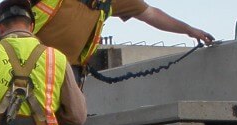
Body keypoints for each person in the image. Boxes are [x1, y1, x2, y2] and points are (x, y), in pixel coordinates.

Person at [31, 0, 215, 83]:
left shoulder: (110, 1)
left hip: (68, 73)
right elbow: (8, 16)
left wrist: (189, 30)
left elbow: (150, 14)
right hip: (27, 67)